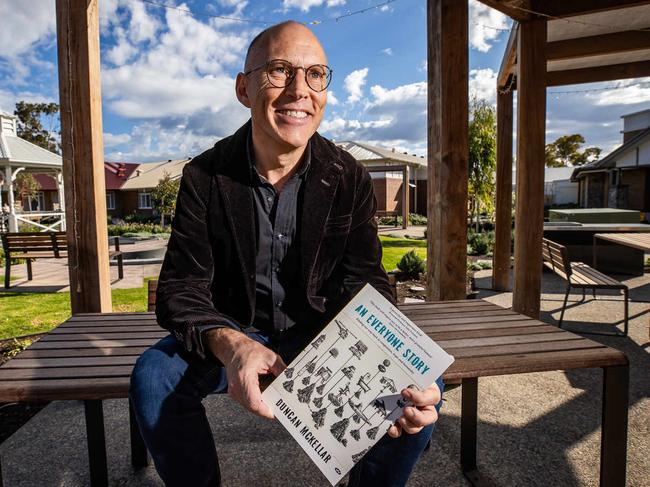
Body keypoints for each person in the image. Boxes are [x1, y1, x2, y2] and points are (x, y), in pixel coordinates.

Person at [129, 20, 443, 487]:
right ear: (243, 88)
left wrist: (390, 362)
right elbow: (181, 288)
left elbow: (365, 281)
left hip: (322, 336)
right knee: (153, 377)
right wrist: (230, 343)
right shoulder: (205, 176)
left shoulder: (347, 176)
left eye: (315, 74)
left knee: (419, 403)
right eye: (279, 71)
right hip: (235, 330)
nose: (300, 90)